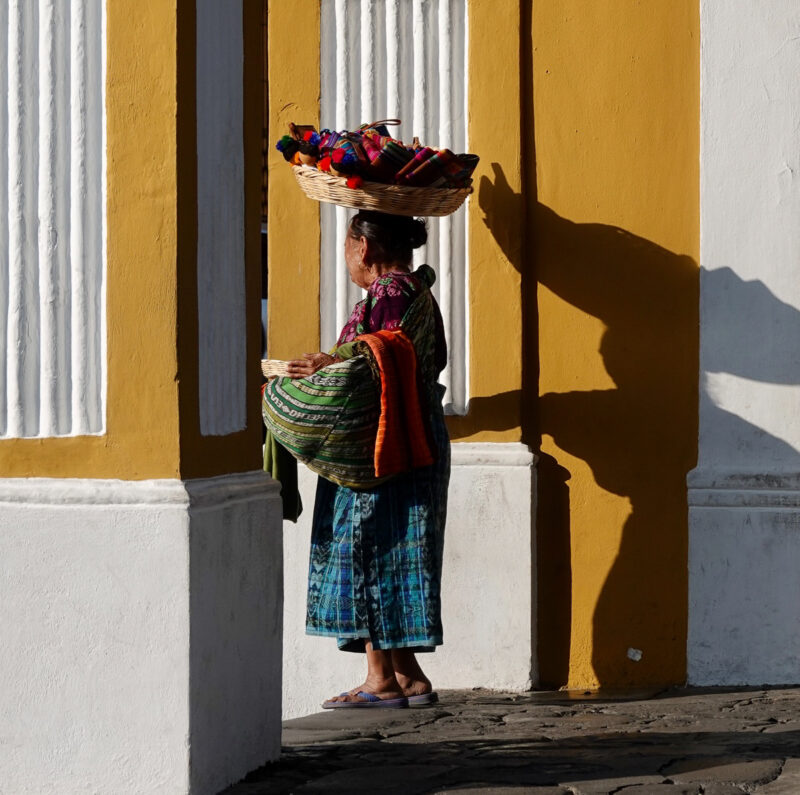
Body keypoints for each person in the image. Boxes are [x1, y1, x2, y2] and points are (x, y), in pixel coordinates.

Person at [285, 210, 450, 708]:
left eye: (346, 243)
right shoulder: (408, 292)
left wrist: (329, 363)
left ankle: (378, 679)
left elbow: (375, 359)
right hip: (409, 432)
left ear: (363, 246)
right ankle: (407, 676)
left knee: (369, 547)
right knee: (393, 547)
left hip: (386, 439)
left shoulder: (391, 293)